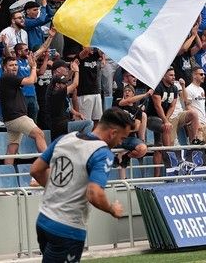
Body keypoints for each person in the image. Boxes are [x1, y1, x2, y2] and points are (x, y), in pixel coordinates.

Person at [30, 108, 131, 263]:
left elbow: (36, 170)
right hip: (67, 229)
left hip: (44, 221)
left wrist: (58, 190)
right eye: (122, 138)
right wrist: (112, 209)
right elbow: (94, 194)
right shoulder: (102, 153)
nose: (120, 143)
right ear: (112, 133)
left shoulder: (65, 138)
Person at [0, 55, 47, 164]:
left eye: (16, 65)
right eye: (11, 65)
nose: (14, 67)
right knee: (39, 134)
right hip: (17, 117)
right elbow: (30, 80)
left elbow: (33, 79)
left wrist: (32, 68)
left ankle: (7, 176)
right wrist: (34, 67)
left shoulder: (9, 78)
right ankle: (47, 164)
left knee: (12, 148)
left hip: (11, 119)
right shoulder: (8, 77)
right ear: (5, 68)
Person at [15, 28, 56, 121]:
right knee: (23, 120)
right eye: (26, 50)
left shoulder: (30, 60)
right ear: (19, 52)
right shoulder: (14, 63)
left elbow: (43, 48)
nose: (28, 52)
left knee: (34, 120)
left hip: (32, 94)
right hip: (22, 95)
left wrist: (50, 37)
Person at [185, 67, 206, 145]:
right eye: (201, 74)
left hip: (204, 123)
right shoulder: (189, 89)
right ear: (194, 75)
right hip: (196, 123)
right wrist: (197, 123)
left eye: (204, 74)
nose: (203, 76)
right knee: (197, 148)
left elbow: (202, 106)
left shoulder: (201, 89)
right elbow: (188, 107)